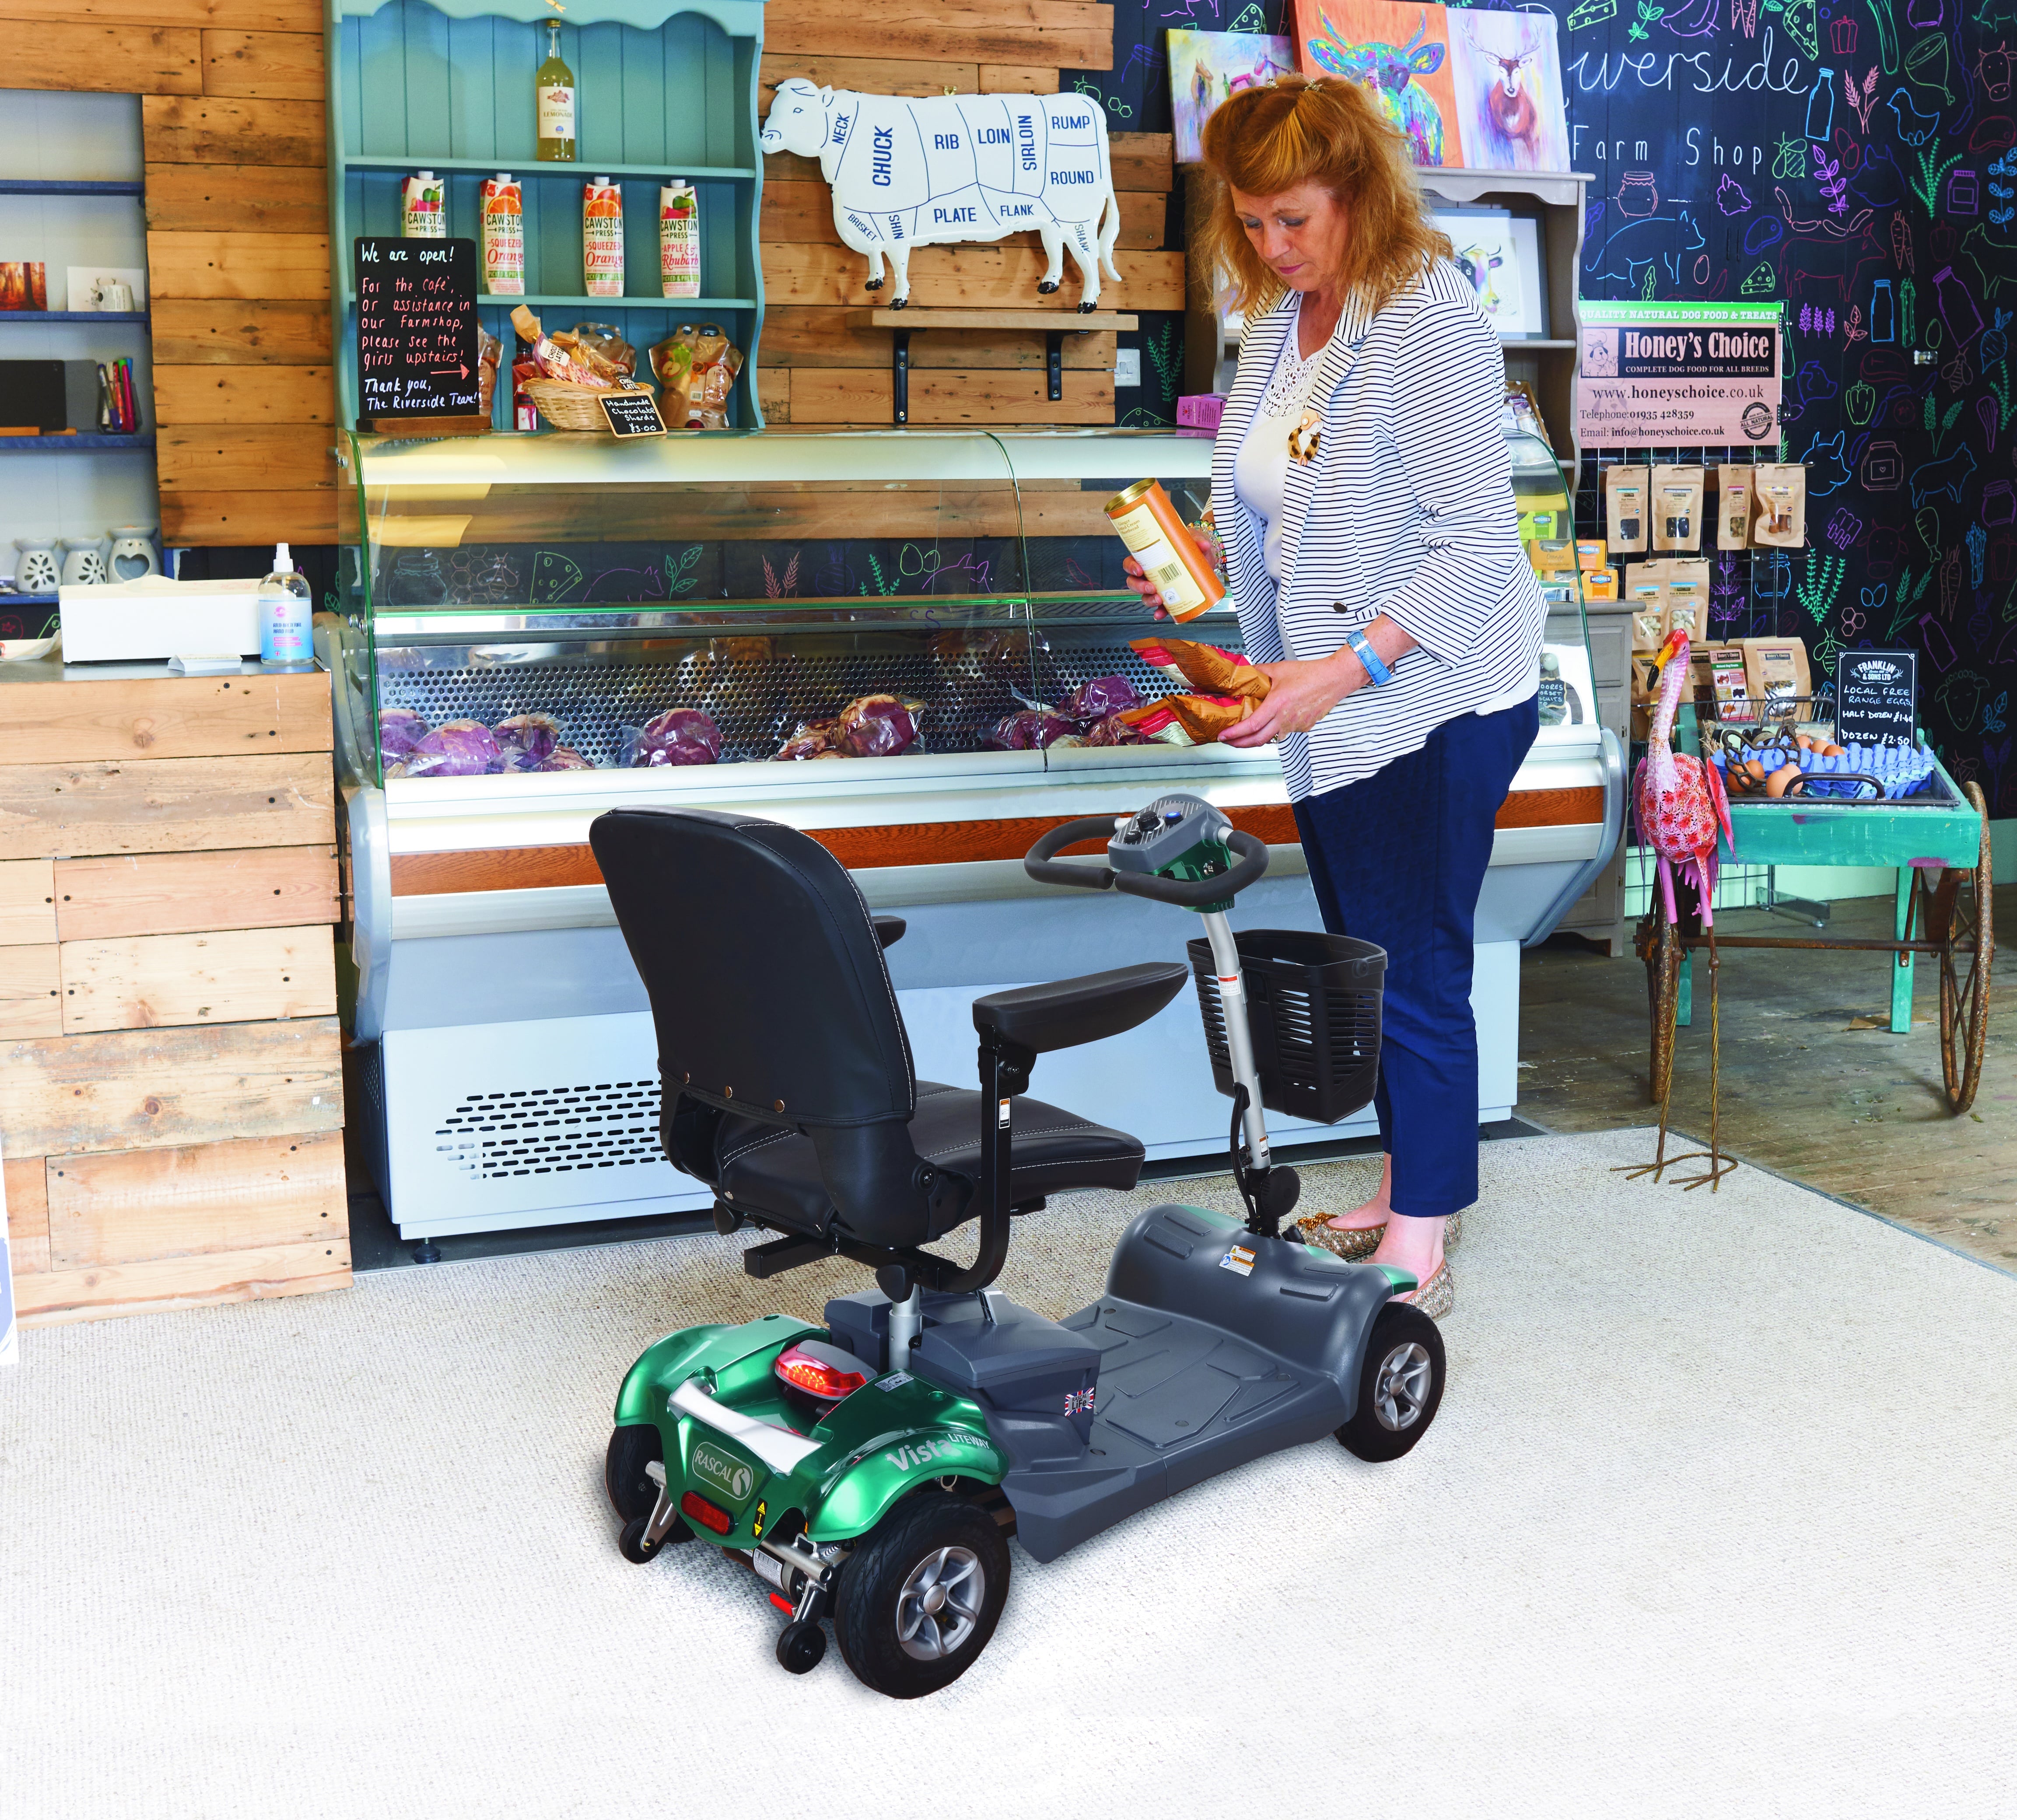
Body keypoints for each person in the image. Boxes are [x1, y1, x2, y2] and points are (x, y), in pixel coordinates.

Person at [1122, 76, 1544, 1319]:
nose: (1270, 247)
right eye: (1250, 224)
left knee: (1412, 961)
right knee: (1367, 950)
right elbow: (1269, 486)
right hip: (1323, 693)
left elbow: (1476, 541)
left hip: (1432, 693)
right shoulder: (1282, 316)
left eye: (1293, 219)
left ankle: (1424, 1227)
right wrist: (1198, 574)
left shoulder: (1429, 324)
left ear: (1359, 193)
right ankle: (1408, 1175)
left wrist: (1352, 667)